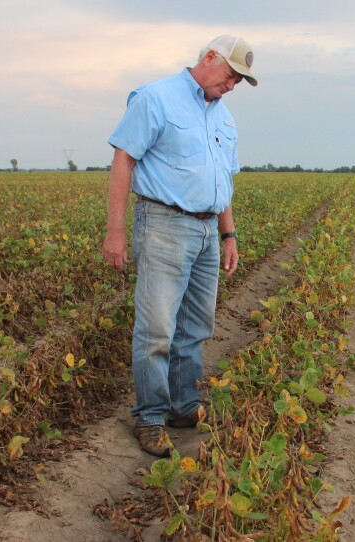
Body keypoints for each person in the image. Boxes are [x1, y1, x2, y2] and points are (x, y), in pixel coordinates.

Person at [102, 35, 257, 456]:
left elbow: (222, 182)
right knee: (156, 330)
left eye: (239, 82)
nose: (231, 86)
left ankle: (184, 406)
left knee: (195, 327)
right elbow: (123, 162)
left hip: (208, 231)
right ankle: (150, 416)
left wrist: (228, 234)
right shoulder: (156, 98)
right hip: (164, 225)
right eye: (229, 76)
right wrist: (115, 232)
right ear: (209, 58)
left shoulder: (223, 119)